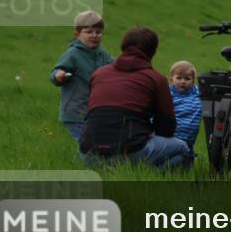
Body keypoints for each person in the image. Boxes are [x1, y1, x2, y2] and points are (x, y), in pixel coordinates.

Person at [80, 27, 193, 168]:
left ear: (123, 47)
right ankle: (149, 176)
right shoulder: (156, 79)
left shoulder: (98, 74)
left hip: (89, 154)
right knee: (183, 148)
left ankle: (127, 172)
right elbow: (166, 127)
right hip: (130, 150)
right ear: (152, 51)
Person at [49, 10, 114, 143]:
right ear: (77, 34)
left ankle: (87, 160)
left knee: (95, 142)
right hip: (75, 111)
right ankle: (85, 161)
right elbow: (55, 72)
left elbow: (116, 67)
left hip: (95, 110)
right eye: (89, 32)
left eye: (98, 32)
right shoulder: (73, 54)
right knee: (86, 144)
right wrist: (59, 76)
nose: (94, 35)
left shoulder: (103, 54)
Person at [169, 61, 203, 152]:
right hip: (172, 136)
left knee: (187, 159)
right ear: (171, 79)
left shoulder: (198, 93)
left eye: (187, 79)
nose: (183, 82)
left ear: (193, 81)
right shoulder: (167, 95)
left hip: (190, 138)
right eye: (179, 78)